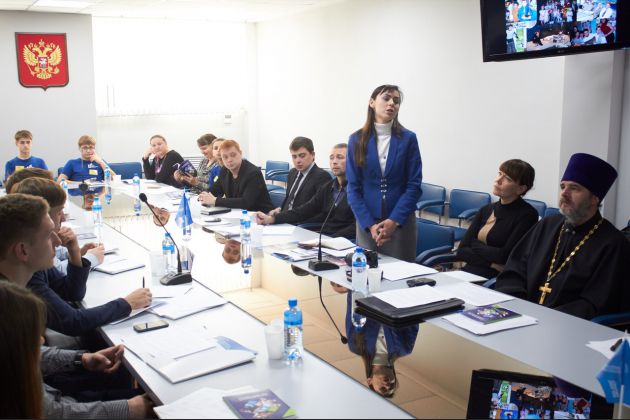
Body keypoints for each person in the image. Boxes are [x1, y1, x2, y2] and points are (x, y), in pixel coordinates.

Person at [0, 195, 153, 418]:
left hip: (52, 395)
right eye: (48, 235)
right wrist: (131, 409)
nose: (58, 241)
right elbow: (49, 412)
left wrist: (81, 359)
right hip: (52, 404)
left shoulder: (17, 287)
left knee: (120, 372)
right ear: (23, 250)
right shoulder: (8, 307)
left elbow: (28, 355)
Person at [10, 179, 152, 338]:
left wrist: (74, 251)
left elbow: (71, 293)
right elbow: (72, 322)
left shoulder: (34, 260)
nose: (64, 218)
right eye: (59, 212)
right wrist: (127, 304)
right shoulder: (27, 270)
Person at [495, 153, 630, 320]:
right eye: (563, 187)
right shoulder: (547, 224)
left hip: (567, 326)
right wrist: (519, 307)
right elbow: (514, 270)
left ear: (594, 198)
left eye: (574, 188)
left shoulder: (613, 244)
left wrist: (546, 318)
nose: (564, 194)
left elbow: (596, 303)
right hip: (519, 316)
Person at [346, 85, 422, 262]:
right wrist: (370, 225)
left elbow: (414, 185)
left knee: (400, 274)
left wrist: (394, 221)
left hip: (400, 222)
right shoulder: (356, 139)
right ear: (372, 102)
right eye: (386, 98)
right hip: (367, 223)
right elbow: (353, 188)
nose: (392, 104)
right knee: (365, 272)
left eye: (396, 101)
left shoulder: (408, 138)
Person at [456, 159, 539, 279]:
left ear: (521, 189)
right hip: (467, 272)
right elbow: (462, 251)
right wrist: (492, 264)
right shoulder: (486, 209)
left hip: (494, 280)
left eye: (508, 179)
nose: (498, 180)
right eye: (499, 173)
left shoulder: (528, 215)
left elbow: (504, 256)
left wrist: (474, 244)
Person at [255, 143, 356, 239]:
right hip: (323, 238)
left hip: (345, 242)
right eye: (331, 158)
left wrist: (330, 240)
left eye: (340, 157)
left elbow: (356, 227)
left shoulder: (359, 190)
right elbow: (305, 210)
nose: (334, 162)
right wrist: (272, 219)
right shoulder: (329, 187)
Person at [12, 177, 104, 275]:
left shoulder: (37, 235)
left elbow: (58, 252)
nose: (64, 218)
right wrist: (90, 258)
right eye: (59, 212)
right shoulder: (34, 242)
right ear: (43, 215)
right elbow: (58, 272)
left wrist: (78, 252)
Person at [198, 139, 274, 212]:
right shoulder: (225, 170)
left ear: (240, 153)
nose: (229, 160)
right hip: (237, 213)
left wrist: (215, 201)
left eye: (233, 155)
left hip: (261, 215)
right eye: (225, 157)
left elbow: (246, 202)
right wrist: (204, 196)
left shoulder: (253, 173)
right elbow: (215, 189)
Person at [269, 136, 331, 215]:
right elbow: (289, 200)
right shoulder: (292, 173)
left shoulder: (322, 177)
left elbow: (317, 211)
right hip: (285, 218)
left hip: (301, 221)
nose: (297, 161)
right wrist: (279, 210)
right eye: (294, 156)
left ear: (313, 155)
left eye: (302, 156)